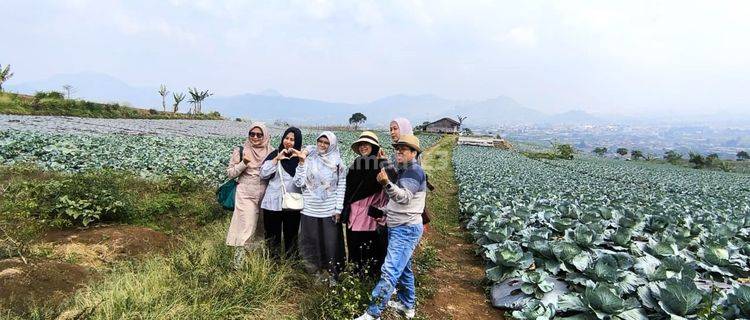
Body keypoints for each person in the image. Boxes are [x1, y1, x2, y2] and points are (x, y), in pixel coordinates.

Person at [356, 134, 427, 320]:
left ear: (414, 152)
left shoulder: (414, 171)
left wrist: (385, 183)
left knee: (390, 270)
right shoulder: (404, 169)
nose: (399, 151)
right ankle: (407, 305)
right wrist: (383, 211)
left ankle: (373, 313)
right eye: (397, 148)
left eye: (403, 149)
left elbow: (403, 198)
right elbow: (397, 200)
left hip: (405, 229)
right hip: (401, 226)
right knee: (404, 268)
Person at [291, 131, 347, 281]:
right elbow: (298, 183)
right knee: (311, 242)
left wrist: (338, 209)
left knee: (331, 244)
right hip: (309, 208)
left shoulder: (338, 163)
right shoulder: (309, 158)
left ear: (332, 145)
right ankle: (315, 273)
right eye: (320, 141)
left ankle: (334, 275)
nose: (322, 145)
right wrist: (302, 163)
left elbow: (341, 186)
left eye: (326, 142)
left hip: (329, 209)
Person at [342, 131, 389, 277]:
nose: (363, 147)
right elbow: (347, 188)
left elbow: (385, 190)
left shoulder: (381, 164)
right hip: (353, 214)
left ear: (374, 147)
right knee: (354, 246)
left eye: (366, 145)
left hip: (368, 216)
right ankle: (356, 276)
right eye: (361, 145)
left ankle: (368, 278)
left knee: (368, 248)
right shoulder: (356, 163)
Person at [226, 122, 272, 268]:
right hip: (245, 193)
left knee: (261, 228)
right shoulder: (241, 151)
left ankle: (254, 262)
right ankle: (238, 264)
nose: (255, 137)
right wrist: (243, 163)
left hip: (265, 194)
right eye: (252, 134)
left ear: (265, 136)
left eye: (259, 134)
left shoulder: (271, 151)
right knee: (246, 227)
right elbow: (230, 174)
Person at [260, 127, 303, 259]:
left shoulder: (300, 158)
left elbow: (300, 182)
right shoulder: (274, 154)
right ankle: (273, 262)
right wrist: (276, 159)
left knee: (291, 234)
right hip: (272, 202)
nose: (288, 142)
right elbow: (263, 174)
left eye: (292, 139)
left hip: (292, 203)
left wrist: (301, 162)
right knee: (272, 235)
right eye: (286, 138)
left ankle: (291, 263)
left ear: (298, 142)